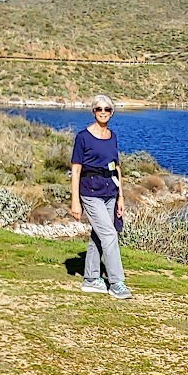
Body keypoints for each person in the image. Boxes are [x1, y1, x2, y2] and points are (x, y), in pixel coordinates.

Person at [70, 94, 132, 300]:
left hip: (110, 191)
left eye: (107, 109)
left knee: (99, 235)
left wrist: (121, 196)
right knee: (109, 234)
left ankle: (90, 279)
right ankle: (117, 282)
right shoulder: (83, 137)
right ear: (93, 111)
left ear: (112, 113)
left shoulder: (112, 136)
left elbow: (117, 167)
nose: (103, 112)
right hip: (90, 192)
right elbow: (76, 170)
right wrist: (75, 201)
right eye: (99, 109)